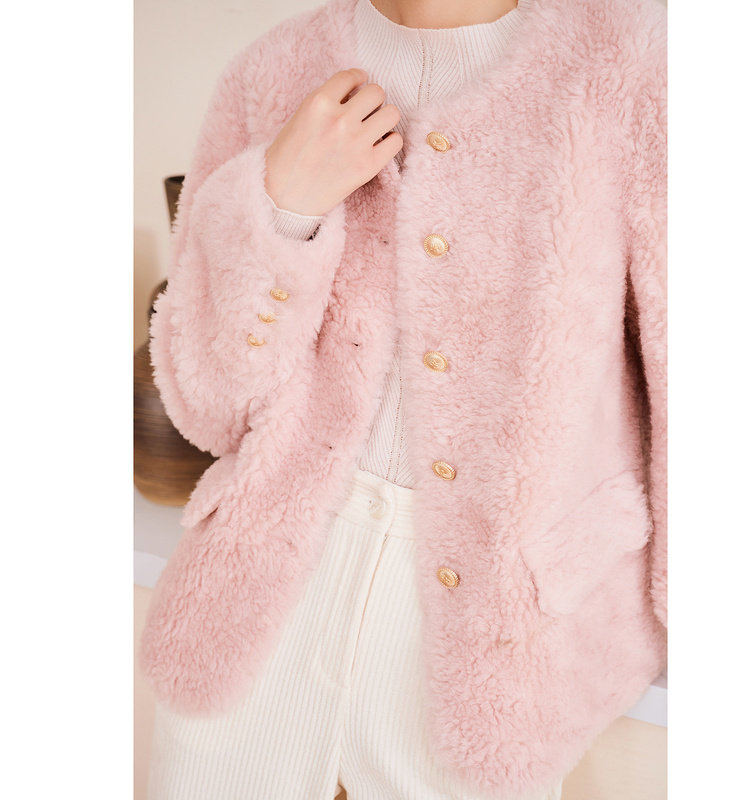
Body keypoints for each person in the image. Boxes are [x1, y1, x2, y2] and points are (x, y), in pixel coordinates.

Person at [141, 0, 668, 798]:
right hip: (263, 595)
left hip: (502, 624)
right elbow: (206, 407)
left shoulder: (627, 65)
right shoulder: (273, 70)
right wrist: (282, 206)